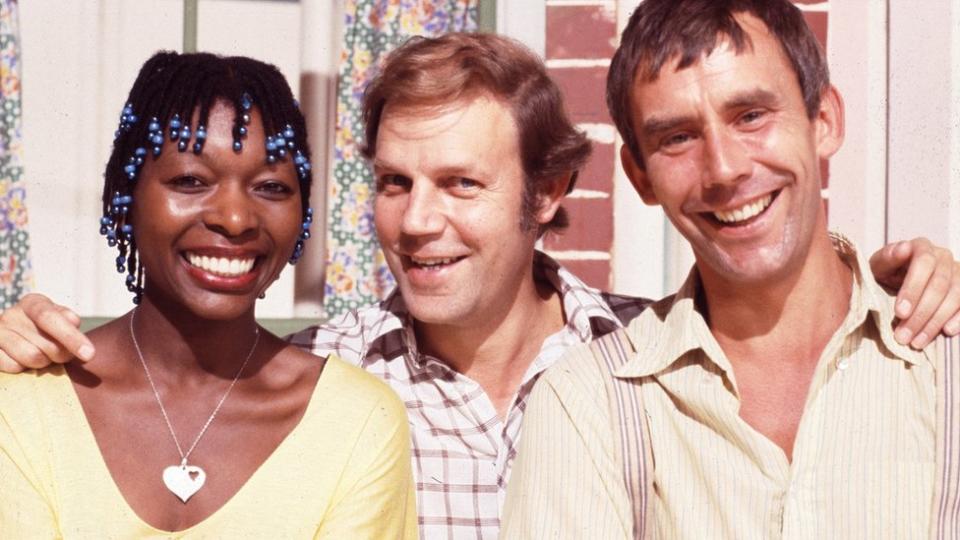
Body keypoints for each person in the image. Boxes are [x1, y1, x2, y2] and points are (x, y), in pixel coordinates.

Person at [1, 34, 959, 539]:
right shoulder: (311, 385)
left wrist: (901, 280)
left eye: (462, 184)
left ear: (546, 194)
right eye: (392, 183)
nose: (419, 222)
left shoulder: (653, 362)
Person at [502, 1, 960, 538]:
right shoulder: (589, 404)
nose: (723, 168)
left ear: (825, 121)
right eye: (677, 137)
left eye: (751, 116)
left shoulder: (943, 363)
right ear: (640, 177)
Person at [0, 51, 416, 538]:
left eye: (270, 187)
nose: (235, 219)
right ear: (125, 197)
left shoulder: (358, 421)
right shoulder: (23, 401)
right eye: (191, 181)